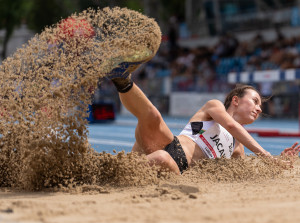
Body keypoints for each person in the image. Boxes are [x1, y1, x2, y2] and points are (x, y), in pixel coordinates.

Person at [106, 56, 300, 175]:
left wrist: (277, 160)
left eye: (260, 106)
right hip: (168, 142)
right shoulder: (214, 107)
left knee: (162, 159)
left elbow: (243, 173)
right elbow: (232, 126)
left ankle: (113, 171)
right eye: (255, 101)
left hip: (177, 165)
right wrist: (268, 156)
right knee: (154, 117)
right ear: (235, 100)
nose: (259, 109)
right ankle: (121, 78)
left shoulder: (237, 148)